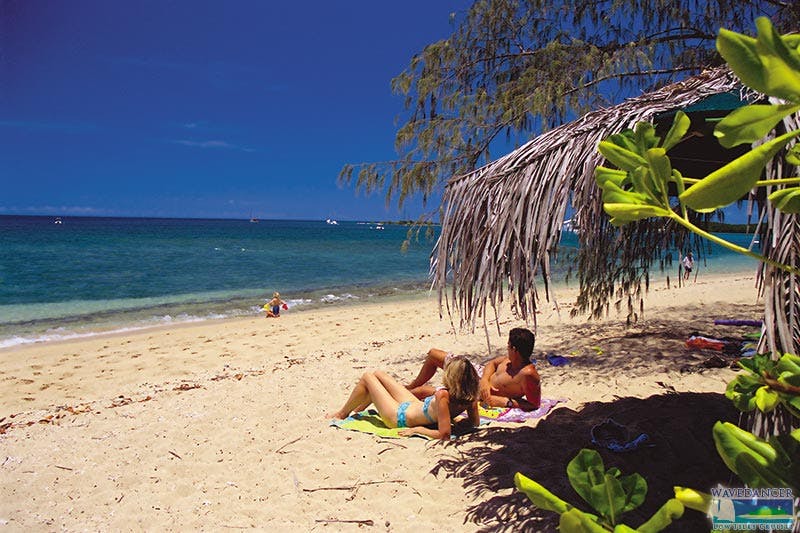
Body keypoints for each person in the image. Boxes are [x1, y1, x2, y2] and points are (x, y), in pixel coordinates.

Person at [330, 355, 480, 440]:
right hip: (414, 406)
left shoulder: (443, 396)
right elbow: (474, 423)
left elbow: (444, 434)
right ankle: (358, 409)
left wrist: (418, 430)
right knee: (379, 374)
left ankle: (342, 413)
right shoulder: (471, 396)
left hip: (398, 417)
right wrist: (455, 418)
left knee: (368, 377)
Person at [406, 327, 541, 411]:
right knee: (433, 354)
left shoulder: (528, 374)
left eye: (508, 346)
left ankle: (403, 394)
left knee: (422, 392)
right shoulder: (509, 360)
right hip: (478, 374)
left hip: (474, 391)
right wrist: (485, 381)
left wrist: (507, 402)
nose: (507, 348)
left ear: (514, 350)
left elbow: (534, 404)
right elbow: (492, 364)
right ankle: (409, 387)